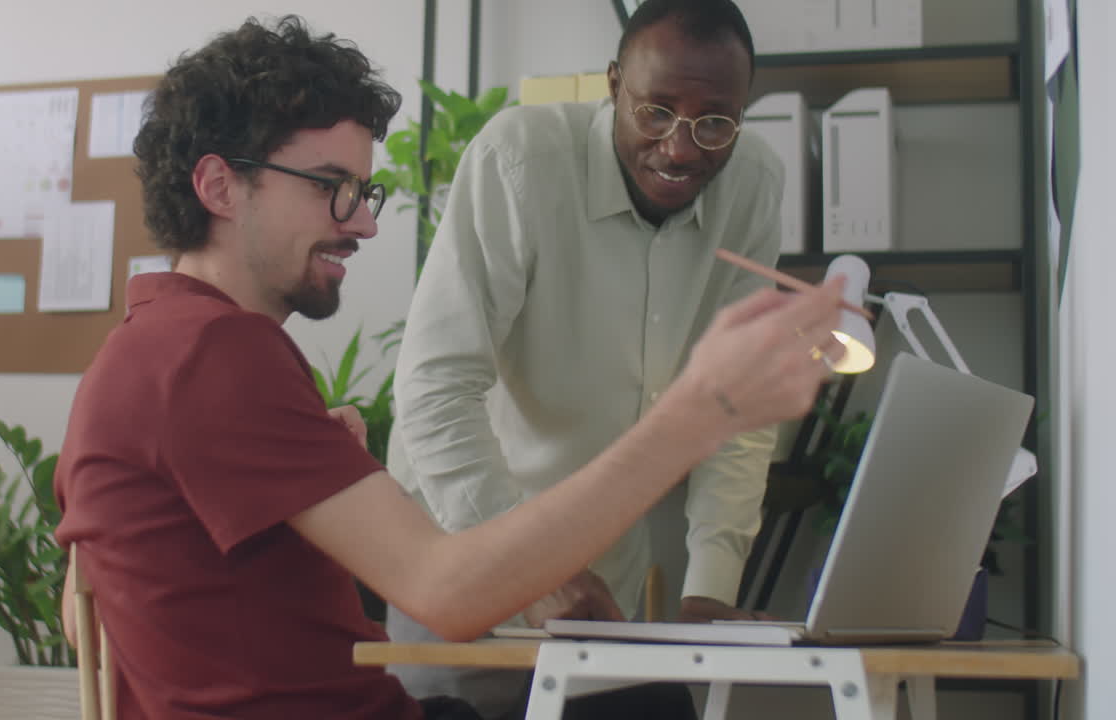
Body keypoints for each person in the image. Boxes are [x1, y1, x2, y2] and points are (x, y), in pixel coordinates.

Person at [54, 13, 846, 720]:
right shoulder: (213, 358)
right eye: (333, 190)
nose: (363, 223)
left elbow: (86, 606)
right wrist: (700, 410)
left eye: (363, 192)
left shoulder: (153, 350)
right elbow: (448, 592)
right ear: (220, 184)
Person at [385, 0, 785, 716]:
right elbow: (434, 389)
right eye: (656, 111)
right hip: (463, 538)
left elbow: (739, 404)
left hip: (600, 580)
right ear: (611, 86)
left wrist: (709, 591)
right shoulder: (522, 161)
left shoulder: (752, 185)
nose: (682, 148)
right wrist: (525, 570)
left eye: (715, 122)